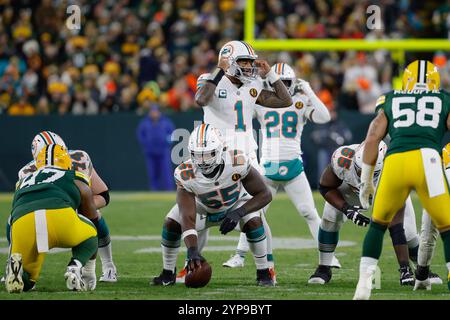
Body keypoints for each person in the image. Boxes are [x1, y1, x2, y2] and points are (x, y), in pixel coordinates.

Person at [174, 40, 292, 282]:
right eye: (244, 62)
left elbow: (285, 101)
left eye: (250, 62)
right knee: (199, 210)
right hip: (214, 154)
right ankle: (192, 262)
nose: (249, 67)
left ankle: (267, 267)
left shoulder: (254, 85)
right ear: (228, 62)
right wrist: (219, 70)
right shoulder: (212, 79)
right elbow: (201, 99)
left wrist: (269, 73)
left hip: (246, 154)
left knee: (258, 215)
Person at [224, 62, 340, 274]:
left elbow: (324, 117)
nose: (284, 88)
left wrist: (310, 91)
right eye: (280, 83)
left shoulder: (301, 100)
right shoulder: (262, 100)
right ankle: (239, 256)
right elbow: (239, 113)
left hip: (293, 165)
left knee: (309, 212)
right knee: (253, 213)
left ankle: (329, 256)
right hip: (267, 167)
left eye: (287, 83)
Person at [354, 60, 450, 300]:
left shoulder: (391, 98)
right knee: (447, 228)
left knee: (378, 224)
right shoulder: (444, 99)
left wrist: (366, 180)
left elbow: (373, 136)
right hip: (428, 160)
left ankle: (363, 287)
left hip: (396, 161)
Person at [152, 124, 274, 286]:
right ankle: (168, 273)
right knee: (171, 222)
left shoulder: (237, 161)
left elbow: (265, 194)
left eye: (208, 154)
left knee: (254, 220)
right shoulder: (185, 173)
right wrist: (192, 250)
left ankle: (264, 273)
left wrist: (239, 212)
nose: (202, 160)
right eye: (197, 154)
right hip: (203, 209)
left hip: (234, 205)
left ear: (220, 149)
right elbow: (186, 216)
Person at [308, 140, 431, 286]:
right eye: (361, 171)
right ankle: (324, 267)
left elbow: (395, 225)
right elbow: (325, 186)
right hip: (351, 191)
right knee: (330, 217)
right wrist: (346, 209)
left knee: (409, 234)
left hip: (385, 192)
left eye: (371, 172)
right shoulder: (343, 159)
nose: (364, 176)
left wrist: (404, 269)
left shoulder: (395, 171)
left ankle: (422, 269)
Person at [16, 131, 118, 286]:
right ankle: (81, 268)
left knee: (93, 213)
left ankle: (108, 266)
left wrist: (83, 206)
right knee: (89, 228)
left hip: (38, 218)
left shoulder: (79, 158)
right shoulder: (27, 171)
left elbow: (103, 195)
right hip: (56, 214)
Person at [5, 145, 99, 293]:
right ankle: (75, 266)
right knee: (92, 232)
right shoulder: (72, 176)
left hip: (23, 222)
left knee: (28, 281)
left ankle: (16, 270)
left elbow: (12, 218)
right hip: (58, 217)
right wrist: (90, 269)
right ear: (66, 161)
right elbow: (91, 215)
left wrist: (16, 247)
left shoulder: (22, 182)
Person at [413, 142, 450, 290]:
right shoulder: (446, 150)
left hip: (437, 190)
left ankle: (422, 275)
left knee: (428, 235)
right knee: (427, 234)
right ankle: (421, 275)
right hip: (438, 191)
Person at [136, 104, 175, 191]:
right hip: (150, 152)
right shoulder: (144, 123)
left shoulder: (166, 122)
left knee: (166, 172)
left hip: (163, 151)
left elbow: (172, 134)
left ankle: (169, 190)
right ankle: (154, 190)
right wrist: (146, 144)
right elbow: (140, 135)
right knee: (152, 173)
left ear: (159, 112)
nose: (154, 113)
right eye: (152, 111)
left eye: (156, 111)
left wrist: (167, 142)